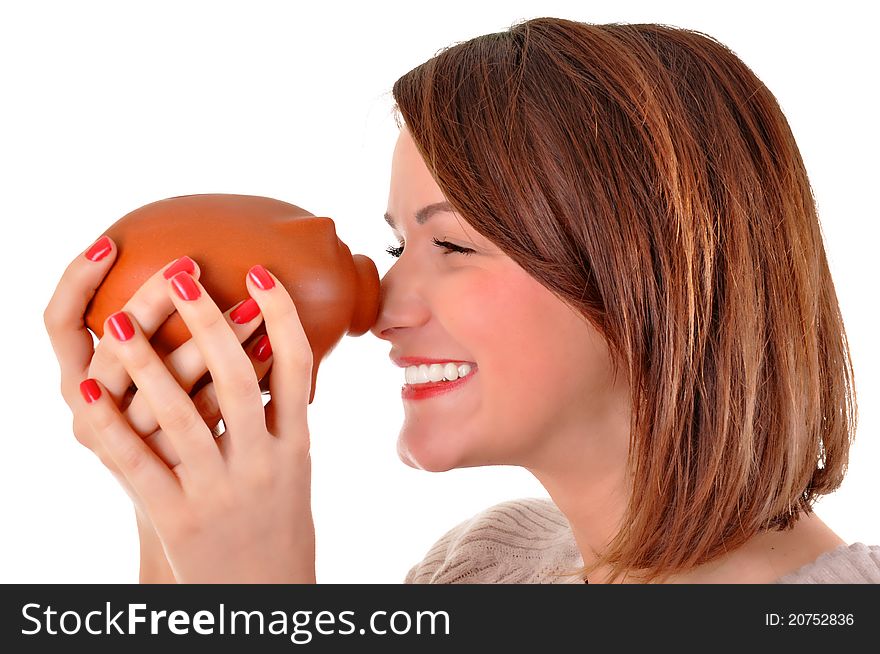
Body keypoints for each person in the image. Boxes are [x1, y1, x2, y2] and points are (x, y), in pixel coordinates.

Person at [44, 17, 879, 584]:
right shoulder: (483, 570)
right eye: (398, 245)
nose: (381, 308)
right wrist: (167, 505)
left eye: (451, 245)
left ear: (649, 271)